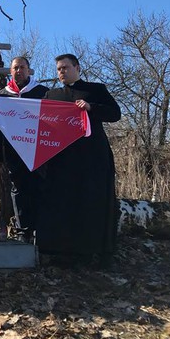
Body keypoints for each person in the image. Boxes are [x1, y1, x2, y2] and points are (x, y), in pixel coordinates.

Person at [37, 53, 121, 267]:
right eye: (58, 69)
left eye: (65, 67)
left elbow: (115, 113)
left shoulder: (96, 90)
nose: (61, 72)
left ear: (77, 67)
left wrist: (91, 107)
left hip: (92, 157)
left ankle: (97, 251)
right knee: (63, 202)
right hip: (62, 159)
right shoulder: (51, 94)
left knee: (93, 202)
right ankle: (62, 252)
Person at [0, 56, 48, 242]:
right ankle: (22, 230)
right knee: (18, 189)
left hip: (37, 149)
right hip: (13, 151)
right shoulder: (2, 95)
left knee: (38, 187)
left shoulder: (42, 92)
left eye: (22, 67)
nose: (18, 71)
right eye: (15, 68)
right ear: (10, 71)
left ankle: (39, 228)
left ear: (29, 70)